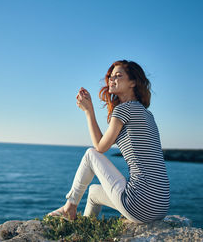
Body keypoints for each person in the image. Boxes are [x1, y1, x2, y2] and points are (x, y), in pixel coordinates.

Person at [47, 60, 170, 223]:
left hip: (139, 204)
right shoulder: (147, 114)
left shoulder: (124, 109)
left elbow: (99, 147)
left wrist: (89, 111)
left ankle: (69, 207)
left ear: (133, 82)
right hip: (159, 207)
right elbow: (104, 143)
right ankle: (85, 230)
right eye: (111, 77)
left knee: (90, 154)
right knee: (93, 192)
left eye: (118, 76)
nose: (112, 80)